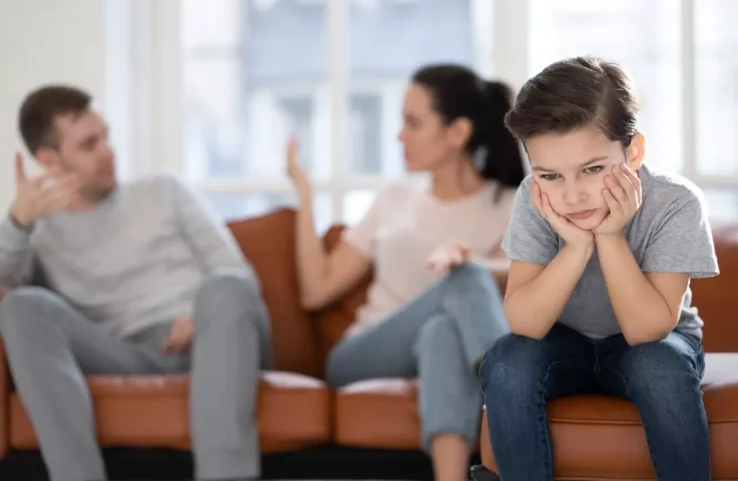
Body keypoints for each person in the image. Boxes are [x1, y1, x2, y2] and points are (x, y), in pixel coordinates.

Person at [0, 85, 272, 481]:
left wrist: (199, 314)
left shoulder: (165, 191)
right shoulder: (40, 235)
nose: (108, 150)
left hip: (215, 340)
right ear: (49, 160)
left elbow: (237, 274)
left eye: (106, 135)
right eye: (89, 144)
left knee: (226, 286)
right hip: (126, 353)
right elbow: (7, 291)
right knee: (21, 307)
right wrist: (18, 224)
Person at [479, 56, 719, 481]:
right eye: (551, 175)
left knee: (658, 365)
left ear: (634, 151)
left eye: (592, 169)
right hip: (563, 344)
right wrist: (575, 245)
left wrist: (610, 237)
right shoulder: (535, 199)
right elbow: (526, 324)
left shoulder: (676, 202)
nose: (572, 197)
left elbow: (647, 331)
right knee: (505, 360)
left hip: (652, 345)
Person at [286, 64, 526, 481]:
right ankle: (515, 392)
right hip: (365, 355)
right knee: (463, 280)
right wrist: (305, 196)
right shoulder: (395, 196)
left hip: (444, 348)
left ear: (457, 133)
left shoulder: (509, 205)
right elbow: (316, 290)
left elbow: (524, 275)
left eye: (413, 123)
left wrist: (472, 265)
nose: (399, 135)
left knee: (442, 332)